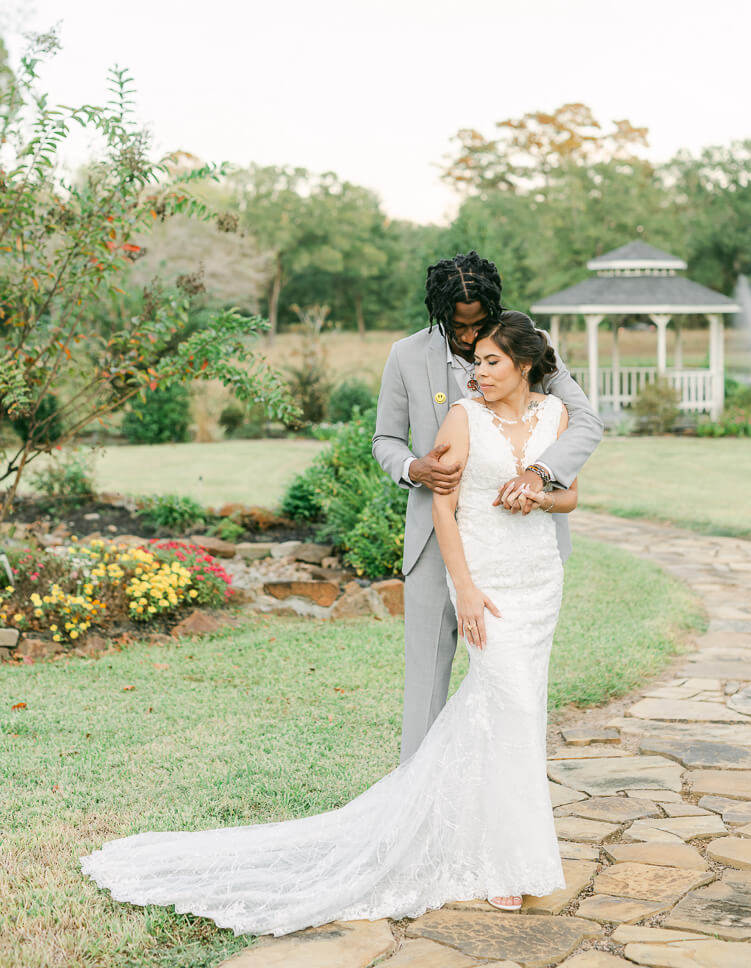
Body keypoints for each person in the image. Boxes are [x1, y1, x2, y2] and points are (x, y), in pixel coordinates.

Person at [80, 310, 586, 931]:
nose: (476, 372)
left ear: (525, 366)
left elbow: (570, 496)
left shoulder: (555, 417)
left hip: (539, 580)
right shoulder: (463, 416)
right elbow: (444, 513)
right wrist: (467, 592)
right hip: (487, 584)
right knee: (507, 701)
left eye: (489, 362)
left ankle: (485, 837)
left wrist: (538, 493)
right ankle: (512, 864)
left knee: (518, 709)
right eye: (474, 360)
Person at [373, 251, 603, 761]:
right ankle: (418, 800)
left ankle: (498, 795)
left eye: (479, 325)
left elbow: (585, 420)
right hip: (439, 541)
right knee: (427, 680)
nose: (471, 338)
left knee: (512, 684)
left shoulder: (526, 346)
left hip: (517, 550)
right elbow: (385, 439)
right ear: (438, 313)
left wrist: (538, 473)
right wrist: (414, 468)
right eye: (458, 327)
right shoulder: (406, 356)